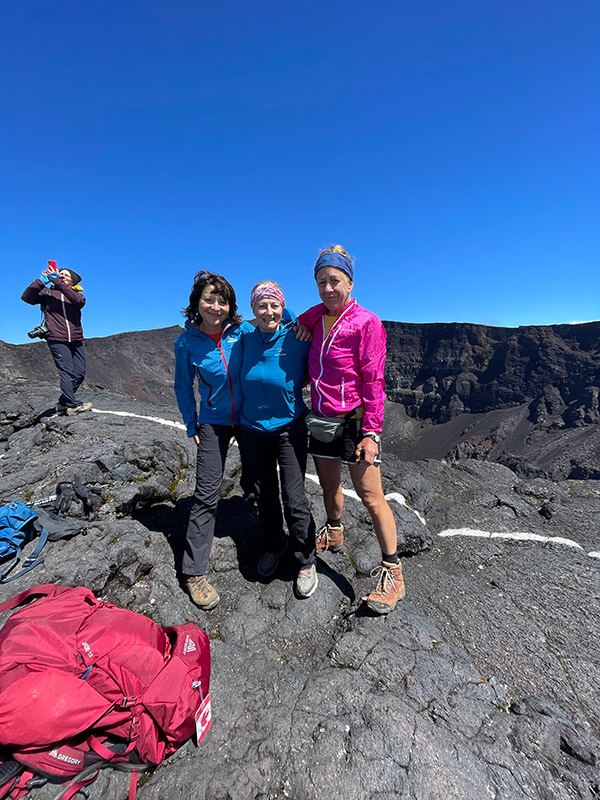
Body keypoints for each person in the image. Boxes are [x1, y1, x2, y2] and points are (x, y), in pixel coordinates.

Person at [298, 245, 405, 615]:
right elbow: (311, 312)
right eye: (321, 283)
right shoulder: (314, 321)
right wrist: (312, 313)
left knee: (372, 497)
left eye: (335, 281)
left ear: (350, 282)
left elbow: (374, 379)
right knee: (328, 484)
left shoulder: (366, 322)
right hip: (322, 415)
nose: (328, 289)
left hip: (355, 421)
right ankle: (334, 528)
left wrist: (371, 433)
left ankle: (393, 571)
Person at [174, 271, 254, 610]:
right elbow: (182, 386)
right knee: (207, 493)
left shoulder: (244, 332)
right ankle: (194, 572)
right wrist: (192, 423)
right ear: (197, 303)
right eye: (209, 299)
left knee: (260, 483)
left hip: (251, 419)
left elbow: (277, 331)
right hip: (213, 422)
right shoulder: (186, 342)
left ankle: (270, 543)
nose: (216, 306)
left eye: (222, 301)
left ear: (231, 306)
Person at [240, 282, 318, 598]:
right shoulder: (243, 339)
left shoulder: (297, 339)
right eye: (262, 305)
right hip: (252, 431)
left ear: (282, 307)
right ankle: (275, 545)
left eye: (274, 305)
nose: (269, 312)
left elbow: (323, 368)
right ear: (254, 309)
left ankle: (306, 560)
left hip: (289, 430)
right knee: (264, 494)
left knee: (294, 497)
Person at [21, 263, 92, 415]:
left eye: (66, 275)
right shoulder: (47, 293)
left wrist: (58, 282)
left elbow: (79, 302)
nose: (61, 277)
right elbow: (26, 297)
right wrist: (41, 280)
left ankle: (62, 403)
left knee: (79, 373)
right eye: (60, 274)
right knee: (66, 372)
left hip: (76, 338)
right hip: (56, 338)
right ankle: (72, 405)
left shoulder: (77, 295)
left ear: (73, 281)